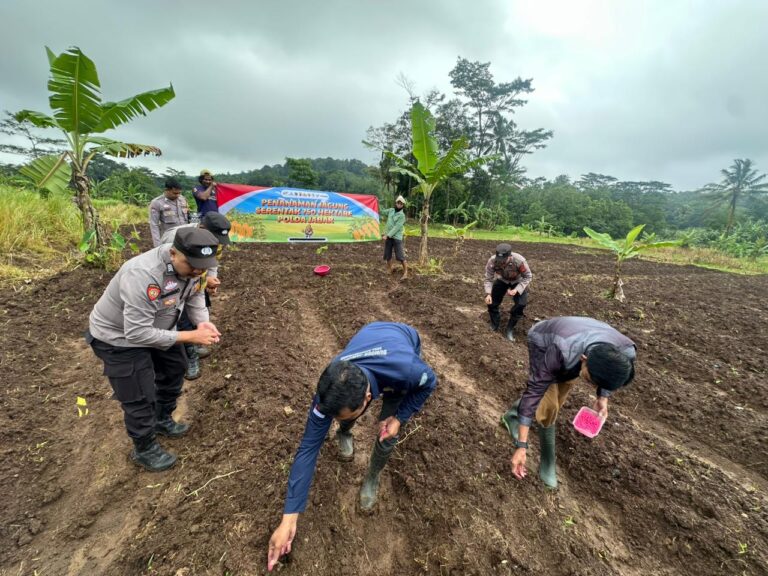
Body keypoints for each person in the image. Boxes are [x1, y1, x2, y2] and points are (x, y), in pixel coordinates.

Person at [267, 322, 437, 571]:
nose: (332, 418)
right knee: (345, 411)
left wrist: (399, 418)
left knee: (387, 431)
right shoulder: (332, 384)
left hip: (403, 342)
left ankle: (372, 476)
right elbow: (308, 449)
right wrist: (288, 518)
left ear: (368, 399)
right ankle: (344, 431)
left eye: (343, 417)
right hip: (371, 334)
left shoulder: (409, 371)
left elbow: (429, 383)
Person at [85, 227, 222, 472]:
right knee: (139, 394)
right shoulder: (143, 275)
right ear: (172, 254)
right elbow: (136, 333)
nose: (198, 272)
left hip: (161, 326)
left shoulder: (195, 269)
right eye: (192, 265)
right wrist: (191, 335)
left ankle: (162, 419)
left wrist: (202, 321)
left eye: (203, 267)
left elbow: (194, 295)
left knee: (175, 369)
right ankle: (144, 447)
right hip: (119, 339)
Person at [500, 317, 636, 489]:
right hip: (544, 341)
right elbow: (534, 390)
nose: (591, 385)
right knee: (548, 406)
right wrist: (522, 446)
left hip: (576, 343)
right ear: (584, 359)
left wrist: (602, 397)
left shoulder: (626, 354)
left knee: (559, 395)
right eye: (590, 379)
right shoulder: (561, 351)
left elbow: (610, 376)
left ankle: (512, 415)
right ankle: (548, 460)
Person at [160, 212, 232, 379]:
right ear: (202, 228)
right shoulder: (175, 237)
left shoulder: (214, 241)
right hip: (173, 283)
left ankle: (194, 341)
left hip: (195, 279)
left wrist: (209, 279)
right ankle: (190, 356)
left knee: (199, 309)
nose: (217, 243)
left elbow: (212, 261)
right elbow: (167, 266)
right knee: (181, 316)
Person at [484, 243, 533, 341]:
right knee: (492, 302)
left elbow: (528, 276)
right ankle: (494, 325)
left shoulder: (519, 261)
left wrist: (517, 289)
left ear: (509, 256)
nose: (501, 263)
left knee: (521, 304)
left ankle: (509, 329)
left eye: (504, 261)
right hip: (502, 280)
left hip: (517, 281)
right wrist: (488, 294)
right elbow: (488, 278)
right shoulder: (492, 261)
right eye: (499, 260)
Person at [149, 178, 191, 247]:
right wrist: (157, 246)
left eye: (179, 193)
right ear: (166, 190)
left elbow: (188, 218)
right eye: (175, 193)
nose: (177, 195)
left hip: (184, 239)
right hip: (169, 240)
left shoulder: (183, 199)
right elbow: (154, 225)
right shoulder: (157, 202)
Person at [381, 195, 408, 279]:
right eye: (398, 203)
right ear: (396, 203)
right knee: (387, 254)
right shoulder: (391, 210)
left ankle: (406, 272)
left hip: (396, 237)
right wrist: (375, 203)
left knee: (400, 256)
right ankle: (390, 269)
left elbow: (396, 228)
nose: (399, 205)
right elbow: (382, 211)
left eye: (401, 204)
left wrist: (387, 235)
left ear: (403, 205)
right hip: (388, 237)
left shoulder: (402, 216)